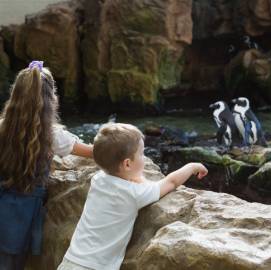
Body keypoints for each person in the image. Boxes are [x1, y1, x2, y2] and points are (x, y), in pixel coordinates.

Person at [58, 123, 208, 270]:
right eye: (142, 154)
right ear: (127, 164)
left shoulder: (99, 180)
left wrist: (134, 176)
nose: (144, 157)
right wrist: (192, 167)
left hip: (71, 260)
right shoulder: (135, 194)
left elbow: (128, 178)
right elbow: (171, 182)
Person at [0, 61, 93, 270]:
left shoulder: (2, 127)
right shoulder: (52, 136)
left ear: (14, 96)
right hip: (22, 215)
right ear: (51, 100)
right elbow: (94, 152)